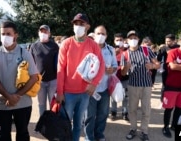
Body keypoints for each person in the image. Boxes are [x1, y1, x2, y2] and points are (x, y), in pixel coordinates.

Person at [56, 13, 105, 141]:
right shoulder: (66, 44)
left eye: (81, 24)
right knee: (64, 124)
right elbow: (60, 69)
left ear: (87, 26)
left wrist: (94, 83)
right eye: (76, 24)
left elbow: (101, 65)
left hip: (84, 93)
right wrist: (60, 92)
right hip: (68, 93)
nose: (78, 26)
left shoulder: (93, 45)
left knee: (78, 125)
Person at [0, 21, 39, 141]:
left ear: (16, 35)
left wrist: (17, 95)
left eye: (8, 33)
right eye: (2, 34)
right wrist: (8, 96)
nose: (5, 36)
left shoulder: (24, 53)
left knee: (22, 134)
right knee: (2, 136)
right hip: (2, 104)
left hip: (23, 103)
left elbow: (34, 77)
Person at [121, 30, 160, 141]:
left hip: (146, 85)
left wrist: (152, 66)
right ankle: (133, 128)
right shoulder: (125, 53)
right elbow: (123, 73)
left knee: (146, 109)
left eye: (135, 38)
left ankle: (144, 131)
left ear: (138, 39)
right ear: (127, 40)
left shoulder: (146, 50)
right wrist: (126, 67)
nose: (133, 40)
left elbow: (157, 64)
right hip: (133, 85)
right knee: (132, 109)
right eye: (130, 38)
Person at [84, 25, 117, 141]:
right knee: (89, 115)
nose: (101, 36)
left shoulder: (111, 50)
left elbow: (115, 66)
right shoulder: (87, 48)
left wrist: (111, 70)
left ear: (107, 36)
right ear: (94, 34)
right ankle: (89, 137)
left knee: (103, 114)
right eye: (98, 33)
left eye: (103, 34)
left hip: (104, 88)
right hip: (90, 89)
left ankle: (99, 135)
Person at [30, 25, 59, 116]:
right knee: (41, 104)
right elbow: (31, 62)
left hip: (53, 80)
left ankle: (52, 124)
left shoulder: (54, 46)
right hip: (40, 81)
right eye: (41, 32)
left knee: (52, 104)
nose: (43, 33)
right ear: (38, 33)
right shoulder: (34, 46)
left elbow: (58, 62)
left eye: (45, 32)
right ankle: (42, 124)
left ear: (49, 34)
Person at [111, 33, 129, 121]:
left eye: (120, 40)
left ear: (124, 40)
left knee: (125, 95)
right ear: (114, 41)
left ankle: (125, 112)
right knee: (113, 95)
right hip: (114, 77)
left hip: (125, 77)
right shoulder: (111, 50)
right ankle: (113, 112)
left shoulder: (127, 50)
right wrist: (114, 54)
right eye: (117, 40)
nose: (119, 42)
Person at [157, 34, 180, 98]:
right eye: (166, 41)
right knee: (164, 85)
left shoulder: (178, 47)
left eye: (169, 41)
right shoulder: (163, 48)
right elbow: (158, 59)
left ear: (174, 41)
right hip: (166, 69)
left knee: (175, 84)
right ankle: (163, 99)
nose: (167, 43)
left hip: (176, 69)